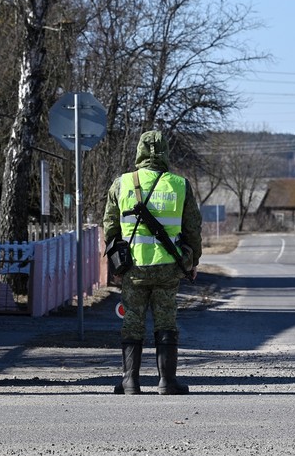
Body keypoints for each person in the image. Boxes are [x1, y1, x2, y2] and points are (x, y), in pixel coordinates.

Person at [102, 130, 202, 395]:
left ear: (139, 151)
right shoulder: (180, 185)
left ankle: (130, 381)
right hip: (169, 266)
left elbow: (110, 227)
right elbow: (192, 228)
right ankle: (167, 382)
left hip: (133, 267)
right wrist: (193, 262)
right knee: (166, 321)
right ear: (166, 152)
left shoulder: (121, 183)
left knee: (132, 321)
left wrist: (115, 264)